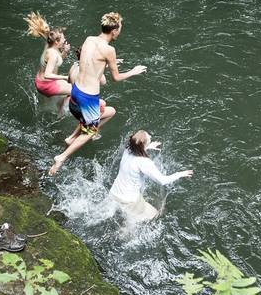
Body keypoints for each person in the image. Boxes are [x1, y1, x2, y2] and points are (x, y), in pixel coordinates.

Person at [48, 12, 146, 176]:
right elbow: (116, 78)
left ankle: (72, 138)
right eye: (120, 29)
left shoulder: (89, 40)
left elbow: (89, 64)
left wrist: (107, 65)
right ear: (114, 30)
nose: (119, 32)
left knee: (106, 113)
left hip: (75, 94)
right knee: (91, 131)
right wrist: (133, 72)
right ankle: (62, 157)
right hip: (88, 98)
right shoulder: (109, 50)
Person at [110, 130, 193, 221]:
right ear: (142, 145)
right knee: (156, 215)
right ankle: (122, 232)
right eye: (148, 137)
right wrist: (181, 174)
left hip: (114, 193)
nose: (150, 136)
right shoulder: (144, 162)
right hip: (129, 201)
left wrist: (147, 146)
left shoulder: (128, 149)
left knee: (131, 216)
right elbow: (163, 181)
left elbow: (136, 148)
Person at [25, 12, 71, 115]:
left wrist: (65, 52)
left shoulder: (49, 45)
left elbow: (55, 62)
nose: (65, 40)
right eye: (63, 38)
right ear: (57, 42)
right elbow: (48, 74)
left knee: (71, 85)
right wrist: (65, 77)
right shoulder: (53, 54)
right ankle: (60, 108)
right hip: (46, 85)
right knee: (76, 92)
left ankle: (51, 105)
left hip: (40, 81)